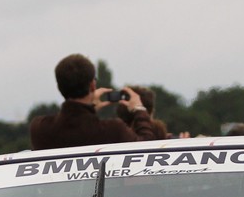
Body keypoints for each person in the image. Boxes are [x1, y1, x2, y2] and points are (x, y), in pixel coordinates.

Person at [29, 54, 163, 150]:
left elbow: (69, 125)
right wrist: (139, 109)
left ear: (59, 87)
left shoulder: (40, 129)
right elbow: (146, 148)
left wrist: (90, 108)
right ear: (92, 85)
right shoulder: (113, 130)